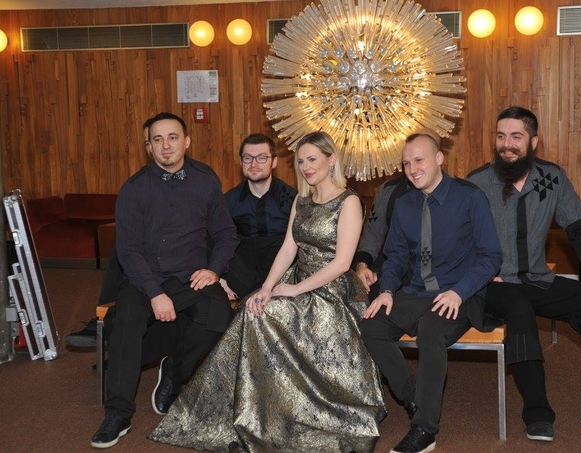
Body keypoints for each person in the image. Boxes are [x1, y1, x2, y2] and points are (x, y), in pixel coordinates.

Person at [149, 131, 386, 452]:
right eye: (300, 162)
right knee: (254, 308)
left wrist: (294, 289)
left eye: (312, 160)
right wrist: (267, 288)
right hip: (297, 279)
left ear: (331, 160)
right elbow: (288, 248)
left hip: (334, 291)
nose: (306, 167)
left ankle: (298, 409)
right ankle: (258, 410)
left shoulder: (349, 201)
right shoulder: (301, 200)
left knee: (273, 314)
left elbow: (343, 263)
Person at [466, 106, 581, 442]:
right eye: (501, 136)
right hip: (492, 284)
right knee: (519, 309)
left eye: (516, 137)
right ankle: (537, 414)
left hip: (536, 279)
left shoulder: (552, 178)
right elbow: (457, 240)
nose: (507, 144)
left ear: (533, 142)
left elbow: (580, 231)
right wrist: (478, 273)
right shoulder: (476, 183)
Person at [90, 112, 239, 449]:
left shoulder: (205, 180)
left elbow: (226, 234)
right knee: (126, 321)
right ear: (149, 147)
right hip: (146, 277)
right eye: (157, 139)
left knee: (218, 315)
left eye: (173, 137)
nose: (166, 145)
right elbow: (128, 251)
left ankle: (174, 370)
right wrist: (154, 293)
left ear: (186, 141)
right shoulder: (134, 189)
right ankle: (118, 413)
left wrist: (214, 270)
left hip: (192, 276)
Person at [361, 133, 503, 453]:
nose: (412, 169)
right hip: (417, 292)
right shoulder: (404, 204)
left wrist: (459, 292)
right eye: (406, 163)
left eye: (419, 160)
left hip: (461, 294)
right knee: (371, 325)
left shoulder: (470, 197)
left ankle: (424, 429)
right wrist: (386, 290)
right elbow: (396, 257)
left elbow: (491, 256)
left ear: (439, 159)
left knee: (430, 330)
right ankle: (414, 398)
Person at [66, 118, 156, 348]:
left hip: (183, 248)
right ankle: (105, 319)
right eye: (148, 142)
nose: (153, 147)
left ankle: (108, 323)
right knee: (123, 251)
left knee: (128, 254)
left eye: (156, 140)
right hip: (150, 244)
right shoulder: (139, 182)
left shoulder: (194, 176)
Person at [353, 129, 440, 299]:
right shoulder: (388, 191)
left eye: (420, 158)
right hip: (391, 268)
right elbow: (373, 233)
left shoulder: (459, 195)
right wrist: (362, 265)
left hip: (437, 275)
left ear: (438, 156)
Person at [220, 133, 297, 300]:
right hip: (243, 277)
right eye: (248, 158)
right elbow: (218, 243)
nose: (254, 164)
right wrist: (220, 277)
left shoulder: (292, 199)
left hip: (281, 274)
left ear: (274, 162)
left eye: (262, 158)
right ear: (241, 162)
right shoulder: (228, 201)